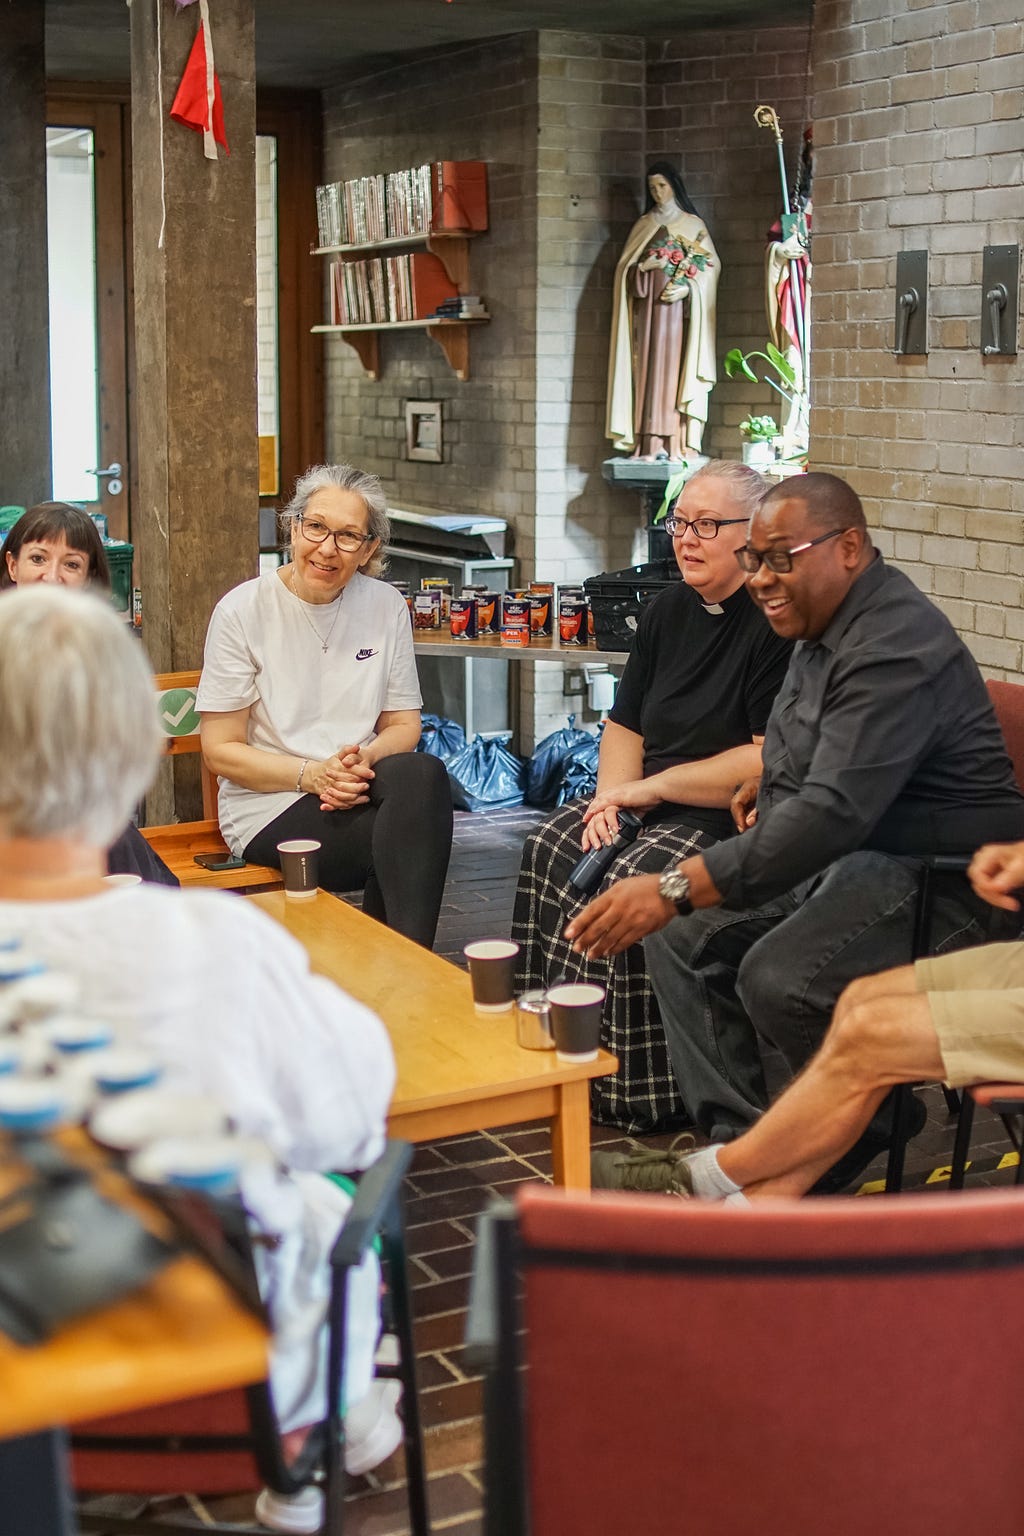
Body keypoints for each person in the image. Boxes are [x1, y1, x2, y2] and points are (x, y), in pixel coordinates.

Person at [0, 585, 399, 1535]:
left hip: (25, 1378)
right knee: (335, 1191)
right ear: (135, 756)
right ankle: (315, 1454)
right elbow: (346, 1118)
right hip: (228, 1379)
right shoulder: (217, 945)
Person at [568, 472, 1024, 1180]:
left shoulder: (892, 643)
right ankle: (741, 1149)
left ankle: (857, 1124)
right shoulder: (819, 618)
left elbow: (834, 813)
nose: (760, 579)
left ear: (848, 547)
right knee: (684, 940)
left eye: (780, 557)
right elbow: (810, 740)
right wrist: (769, 778)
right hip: (862, 853)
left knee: (781, 977)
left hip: (945, 878)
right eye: (753, 557)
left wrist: (672, 885)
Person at [512, 462, 793, 1131]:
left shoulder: (771, 623)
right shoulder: (667, 608)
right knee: (551, 845)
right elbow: (624, 724)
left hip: (722, 817)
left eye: (706, 525)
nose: (686, 539)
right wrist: (609, 803)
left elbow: (763, 759)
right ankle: (550, 1048)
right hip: (647, 795)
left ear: (751, 535)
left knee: (636, 878)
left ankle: (636, 1085)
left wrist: (647, 790)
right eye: (680, 523)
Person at [594, 839, 1024, 1201]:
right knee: (863, 1000)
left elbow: (833, 809)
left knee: (864, 1028)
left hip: (903, 867)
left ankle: (712, 1183)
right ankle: (744, 1193)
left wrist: (676, 887)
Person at [197, 464, 452, 949]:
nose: (327, 548)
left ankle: (397, 974)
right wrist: (312, 775)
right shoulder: (242, 610)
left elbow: (402, 724)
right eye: (315, 527)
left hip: (356, 783)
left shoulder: (385, 606)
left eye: (349, 536)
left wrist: (360, 761)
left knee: (424, 776)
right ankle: (408, 974)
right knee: (405, 838)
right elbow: (220, 751)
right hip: (270, 804)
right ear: (293, 527)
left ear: (370, 548)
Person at [1, 500, 178, 888]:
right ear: (12, 566)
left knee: (125, 856)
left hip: (76, 813)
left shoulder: (97, 652)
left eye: (71, 564)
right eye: (38, 558)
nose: (52, 576)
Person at [606, 161, 720, 460]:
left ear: (674, 186)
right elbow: (624, 273)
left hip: (679, 322)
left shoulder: (693, 225)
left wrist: (689, 290)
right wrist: (644, 267)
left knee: (674, 377)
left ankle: (679, 442)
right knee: (647, 376)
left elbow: (710, 269)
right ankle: (648, 442)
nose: (658, 192)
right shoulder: (644, 225)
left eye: (663, 186)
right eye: (652, 187)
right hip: (647, 320)